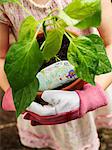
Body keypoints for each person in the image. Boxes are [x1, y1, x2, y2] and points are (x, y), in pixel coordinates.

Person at [0, 0, 112, 149]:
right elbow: (1, 56)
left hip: (88, 79)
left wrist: (90, 95)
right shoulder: (6, 4)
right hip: (41, 88)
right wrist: (17, 92)